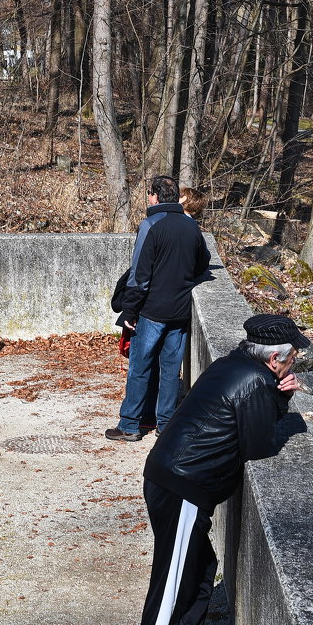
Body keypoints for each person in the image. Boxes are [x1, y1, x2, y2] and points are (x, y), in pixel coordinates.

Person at [133, 314, 307, 625]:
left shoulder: (233, 363)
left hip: (171, 477)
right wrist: (280, 397)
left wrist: (276, 395)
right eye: (293, 354)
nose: (296, 361)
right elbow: (260, 446)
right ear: (275, 359)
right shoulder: (256, 383)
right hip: (183, 487)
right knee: (173, 579)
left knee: (199, 572)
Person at [105, 175, 210, 442]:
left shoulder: (150, 225)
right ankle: (165, 424)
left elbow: (139, 275)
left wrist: (129, 311)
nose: (148, 198)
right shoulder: (191, 227)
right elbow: (202, 264)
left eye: (149, 194)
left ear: (154, 196)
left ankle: (129, 424)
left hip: (151, 311)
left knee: (140, 367)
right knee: (170, 370)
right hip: (179, 311)